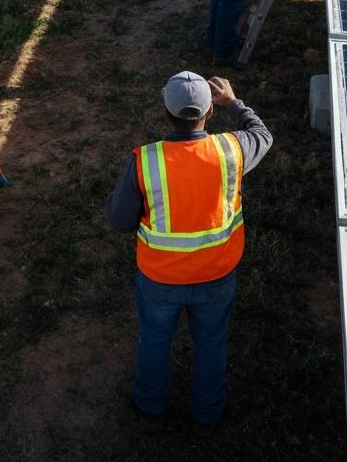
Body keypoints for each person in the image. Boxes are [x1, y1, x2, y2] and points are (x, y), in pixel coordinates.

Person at [106, 71, 273, 429]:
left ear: (165, 112)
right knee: (211, 344)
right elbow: (262, 135)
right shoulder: (233, 149)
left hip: (160, 280)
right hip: (217, 275)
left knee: (154, 342)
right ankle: (208, 409)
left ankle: (149, 404)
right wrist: (234, 103)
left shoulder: (145, 161)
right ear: (210, 113)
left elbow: (119, 221)